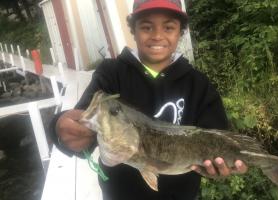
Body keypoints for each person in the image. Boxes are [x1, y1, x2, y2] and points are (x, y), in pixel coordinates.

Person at [50, 0, 248, 199]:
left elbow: (217, 136)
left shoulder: (198, 84)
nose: (157, 36)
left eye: (168, 27)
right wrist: (60, 127)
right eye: (146, 27)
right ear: (133, 30)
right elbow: (81, 124)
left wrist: (217, 165)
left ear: (181, 31)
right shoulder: (111, 74)